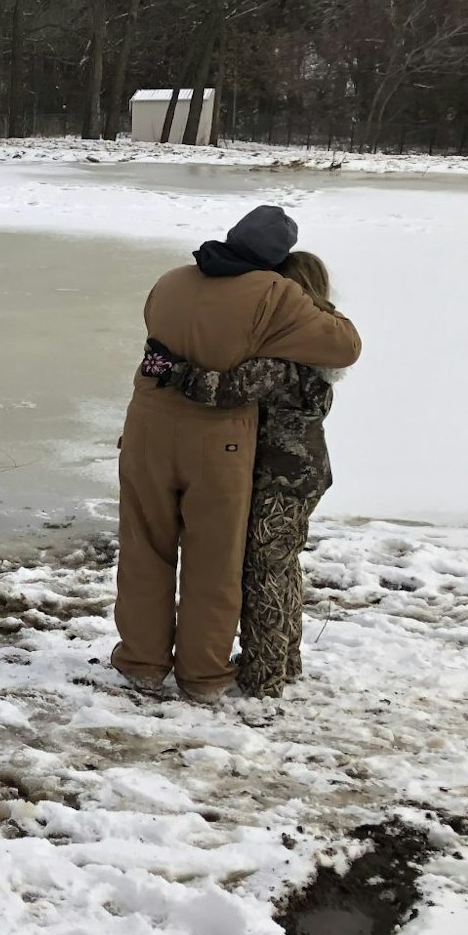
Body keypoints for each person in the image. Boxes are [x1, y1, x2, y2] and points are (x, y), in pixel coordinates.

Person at [112, 207, 361, 702]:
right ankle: (202, 676)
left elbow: (158, 340)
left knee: (144, 550)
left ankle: (141, 662)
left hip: (147, 428)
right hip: (218, 442)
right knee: (214, 560)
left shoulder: (171, 280)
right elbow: (344, 347)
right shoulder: (275, 295)